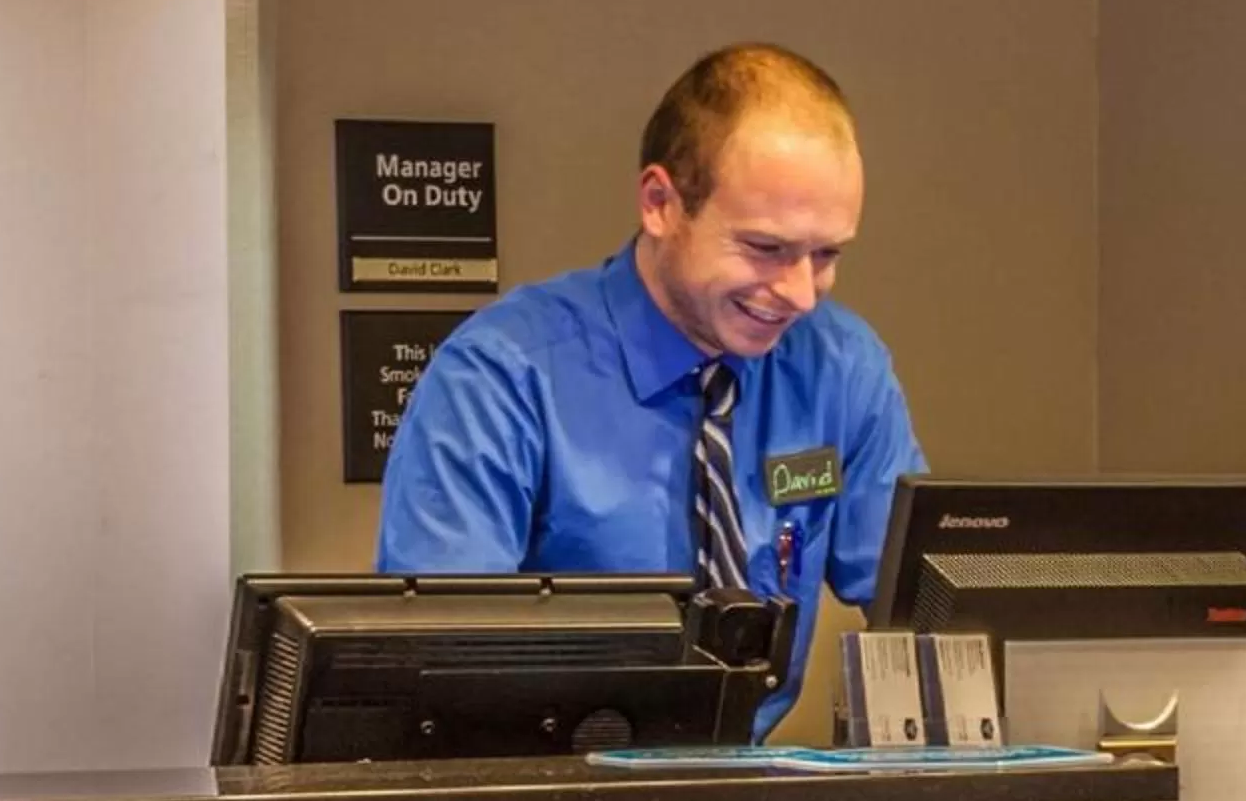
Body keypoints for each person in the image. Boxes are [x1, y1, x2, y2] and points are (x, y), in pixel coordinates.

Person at [375, 44, 925, 731]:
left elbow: (928, 611)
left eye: (826, 255)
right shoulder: (501, 376)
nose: (800, 294)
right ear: (661, 203)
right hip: (550, 798)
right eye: (765, 248)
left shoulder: (841, 370)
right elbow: (442, 664)